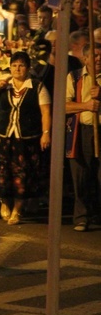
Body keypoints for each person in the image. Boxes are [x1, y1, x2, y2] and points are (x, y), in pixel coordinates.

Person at [0, 51, 51, 225]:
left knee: (23, 174)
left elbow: (45, 112)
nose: (17, 69)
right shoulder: (5, 86)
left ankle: (17, 210)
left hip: (26, 139)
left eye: (21, 65)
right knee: (3, 173)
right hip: (4, 137)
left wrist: (45, 133)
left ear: (28, 68)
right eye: (14, 65)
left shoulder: (37, 87)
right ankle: (5, 202)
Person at [65, 44, 101, 232]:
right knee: (81, 175)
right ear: (85, 58)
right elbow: (64, 106)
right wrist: (86, 105)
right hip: (82, 131)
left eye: (100, 55)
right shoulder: (74, 77)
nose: (98, 59)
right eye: (94, 56)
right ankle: (81, 217)